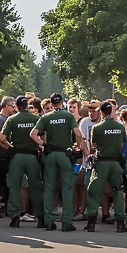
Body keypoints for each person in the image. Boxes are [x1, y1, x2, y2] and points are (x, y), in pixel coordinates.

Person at [31, 92, 86, 231]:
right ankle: (66, 222)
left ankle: (49, 221)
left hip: (50, 154)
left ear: (51, 103)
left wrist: (43, 144)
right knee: (67, 187)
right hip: (64, 155)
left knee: (49, 188)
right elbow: (78, 134)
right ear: (62, 103)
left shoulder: (46, 117)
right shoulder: (68, 116)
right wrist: (77, 146)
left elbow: (33, 134)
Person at [82, 101, 127, 233]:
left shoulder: (97, 128)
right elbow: (121, 145)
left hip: (102, 162)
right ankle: (120, 223)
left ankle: (91, 222)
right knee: (118, 191)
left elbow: (94, 145)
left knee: (95, 190)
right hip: (115, 162)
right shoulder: (120, 127)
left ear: (101, 112)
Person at [1, 95, 45, 228]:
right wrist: (41, 146)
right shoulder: (36, 118)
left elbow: (2, 138)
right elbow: (43, 137)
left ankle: (15, 217)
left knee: (14, 187)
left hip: (17, 156)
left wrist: (10, 146)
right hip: (32, 156)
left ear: (17, 107)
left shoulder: (12, 119)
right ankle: (41, 217)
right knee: (36, 187)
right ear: (27, 106)